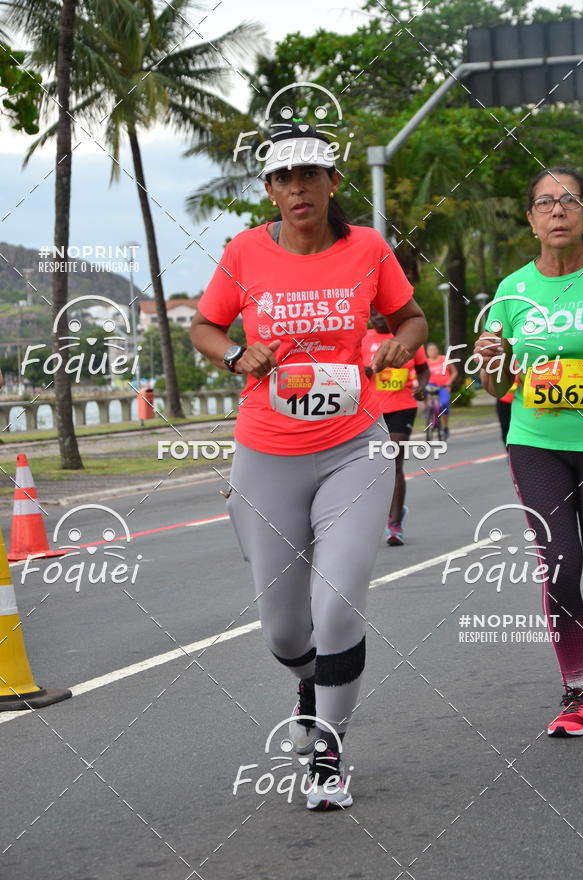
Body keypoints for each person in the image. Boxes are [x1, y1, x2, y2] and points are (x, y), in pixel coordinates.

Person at [190, 124, 427, 809]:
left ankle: (329, 749)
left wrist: (394, 347)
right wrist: (236, 356)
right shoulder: (244, 252)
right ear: (269, 190)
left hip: (355, 448)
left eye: (310, 175)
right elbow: (206, 326)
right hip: (267, 456)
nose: (298, 188)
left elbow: (410, 317)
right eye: (284, 178)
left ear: (333, 184)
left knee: (339, 606)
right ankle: (309, 681)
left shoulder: (366, 248)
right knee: (286, 630)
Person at [475, 166, 583, 738]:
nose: (557, 211)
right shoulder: (513, 290)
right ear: (530, 219)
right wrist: (492, 356)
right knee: (561, 566)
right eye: (545, 203)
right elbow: (495, 384)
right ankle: (579, 692)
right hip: (537, 441)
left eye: (569, 201)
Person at [362, 311, 429, 545]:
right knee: (372, 467)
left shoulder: (406, 338)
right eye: (373, 314)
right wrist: (366, 371)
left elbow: (423, 368)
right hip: (370, 410)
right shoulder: (362, 339)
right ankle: (385, 514)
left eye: (382, 314)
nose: (378, 318)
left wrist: (422, 386)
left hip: (402, 407)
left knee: (393, 462)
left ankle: (394, 524)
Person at [425, 342, 457, 438]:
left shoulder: (444, 359)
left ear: (437, 350)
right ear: (427, 352)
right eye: (430, 350)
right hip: (431, 386)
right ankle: (428, 408)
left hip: (444, 387)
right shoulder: (426, 362)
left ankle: (445, 426)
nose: (432, 352)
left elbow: (454, 372)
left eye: (434, 349)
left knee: (444, 404)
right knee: (421, 391)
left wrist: (449, 383)